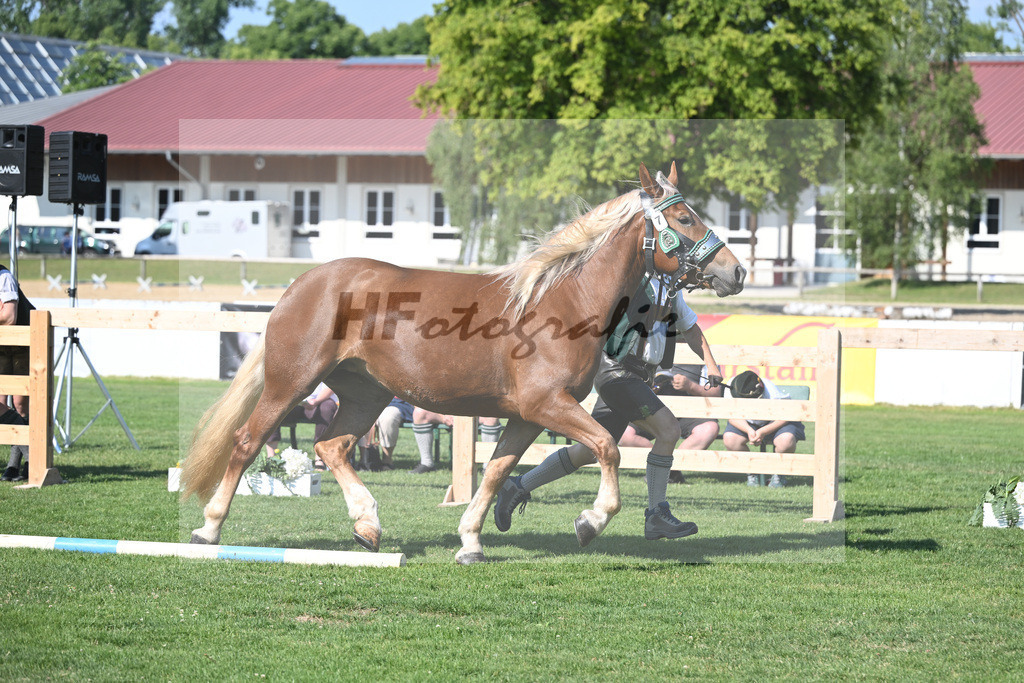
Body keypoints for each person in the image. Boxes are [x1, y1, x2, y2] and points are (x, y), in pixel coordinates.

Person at [493, 277, 722, 541]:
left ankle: (518, 486)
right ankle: (656, 514)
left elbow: (691, 329)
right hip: (618, 372)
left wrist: (711, 364)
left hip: (636, 376)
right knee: (669, 430)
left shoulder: (672, 292)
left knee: (587, 451)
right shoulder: (634, 280)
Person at [723, 370, 806, 488]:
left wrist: (763, 431)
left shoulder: (773, 395)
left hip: (777, 420)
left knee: (786, 440)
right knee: (730, 439)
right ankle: (751, 472)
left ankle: (779, 473)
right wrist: (749, 430)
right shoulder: (732, 385)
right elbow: (730, 415)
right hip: (747, 421)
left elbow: (785, 417)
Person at [0, 263, 33, 482]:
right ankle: (18, 463)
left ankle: (25, 463)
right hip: (2, 345)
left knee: (20, 404)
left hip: (23, 343)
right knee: (1, 403)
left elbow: (9, 317)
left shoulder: (4, 277)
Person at [410, 408, 501, 473]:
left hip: (474, 411)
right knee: (419, 412)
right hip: (443, 411)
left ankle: (488, 467)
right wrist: (444, 415)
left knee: (492, 417)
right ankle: (427, 463)